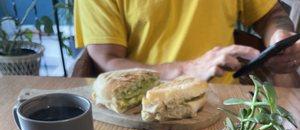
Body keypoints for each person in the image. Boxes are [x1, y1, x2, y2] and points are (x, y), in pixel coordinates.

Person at [74, 0, 300, 84]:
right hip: (142, 104)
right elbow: (106, 61)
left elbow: (271, 15)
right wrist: (186, 69)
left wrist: (279, 36)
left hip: (221, 104)